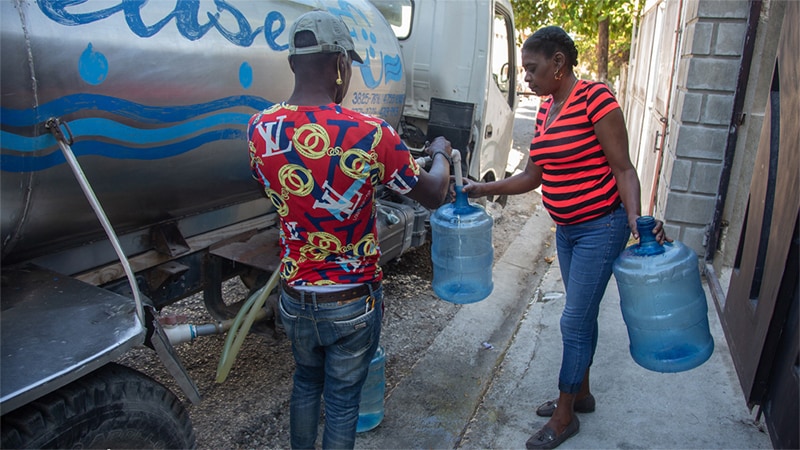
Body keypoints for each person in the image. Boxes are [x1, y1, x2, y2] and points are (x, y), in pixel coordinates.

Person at [247, 10, 453, 450]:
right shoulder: (371, 134)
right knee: (341, 404)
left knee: (305, 384)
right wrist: (442, 153)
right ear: (342, 65)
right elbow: (433, 194)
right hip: (351, 302)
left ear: (291, 64)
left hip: (295, 296)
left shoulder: (259, 129)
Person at [462, 26, 669, 449]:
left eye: (533, 69)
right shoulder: (545, 109)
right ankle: (583, 394)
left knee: (573, 319)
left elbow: (623, 168)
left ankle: (564, 414)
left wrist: (636, 220)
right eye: (524, 72)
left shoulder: (596, 99)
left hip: (602, 226)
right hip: (568, 230)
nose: (527, 79)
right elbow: (534, 175)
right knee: (583, 314)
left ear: (559, 63)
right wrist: (486, 188)